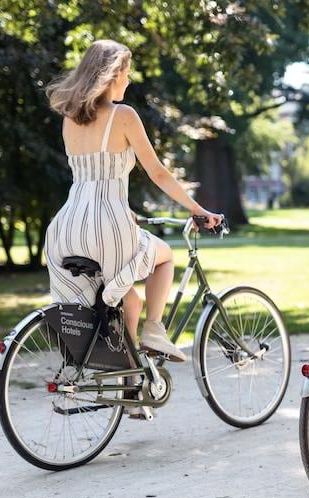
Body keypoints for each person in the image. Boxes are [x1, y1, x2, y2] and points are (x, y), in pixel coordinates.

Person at [44, 39, 222, 368]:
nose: (129, 79)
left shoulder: (70, 117)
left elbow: (91, 178)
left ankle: (128, 378)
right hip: (107, 222)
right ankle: (155, 330)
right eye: (127, 72)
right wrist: (197, 209)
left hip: (68, 224)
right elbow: (157, 172)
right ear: (112, 74)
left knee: (128, 298)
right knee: (165, 258)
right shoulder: (123, 115)